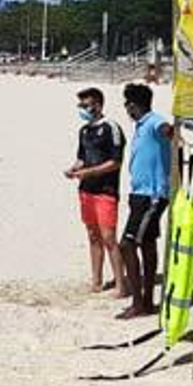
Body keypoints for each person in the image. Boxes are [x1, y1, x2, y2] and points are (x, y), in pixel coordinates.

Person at [116, 83, 172, 320]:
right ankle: (147, 301)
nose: (126, 108)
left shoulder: (152, 121)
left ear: (133, 105)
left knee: (127, 244)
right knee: (147, 244)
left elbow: (165, 129)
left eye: (127, 103)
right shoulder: (139, 127)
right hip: (139, 193)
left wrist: (171, 132)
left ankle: (138, 302)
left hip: (151, 195)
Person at [64, 87, 126, 295]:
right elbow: (82, 157)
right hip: (86, 190)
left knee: (109, 237)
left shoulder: (111, 128)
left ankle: (121, 284)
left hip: (106, 190)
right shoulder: (84, 130)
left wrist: (89, 172)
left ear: (97, 104)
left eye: (85, 105)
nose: (82, 109)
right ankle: (97, 281)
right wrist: (74, 169)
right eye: (80, 105)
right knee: (92, 235)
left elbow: (115, 162)